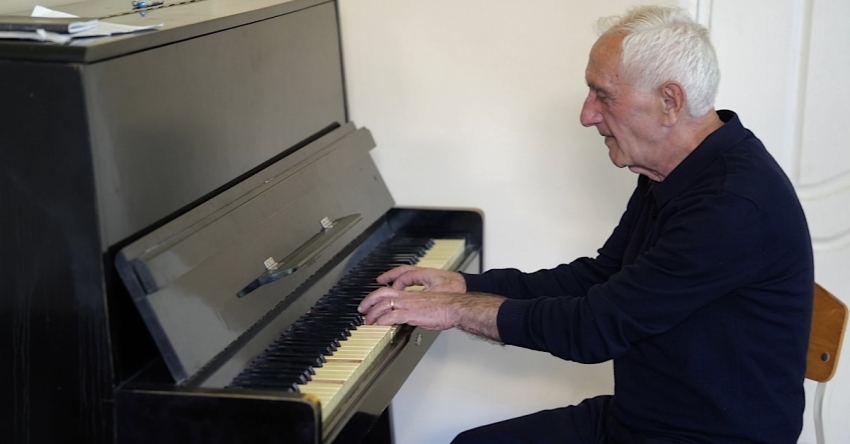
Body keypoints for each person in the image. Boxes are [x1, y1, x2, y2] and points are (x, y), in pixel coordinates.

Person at [358, 5, 814, 443]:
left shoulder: (732, 204)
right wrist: (464, 285)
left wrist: (455, 310)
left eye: (603, 95)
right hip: (642, 420)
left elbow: (593, 328)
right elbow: (600, 278)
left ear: (669, 101)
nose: (587, 115)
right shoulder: (670, 171)